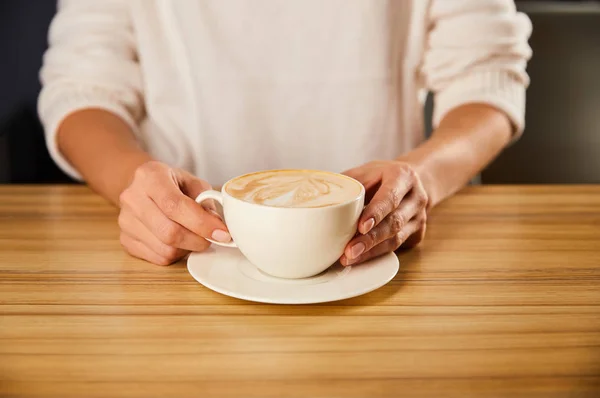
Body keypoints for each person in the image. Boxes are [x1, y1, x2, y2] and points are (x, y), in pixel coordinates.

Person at [39, 0, 532, 266]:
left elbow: (487, 75)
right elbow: (82, 89)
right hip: (180, 259)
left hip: (381, 253)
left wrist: (421, 178)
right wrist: (137, 184)